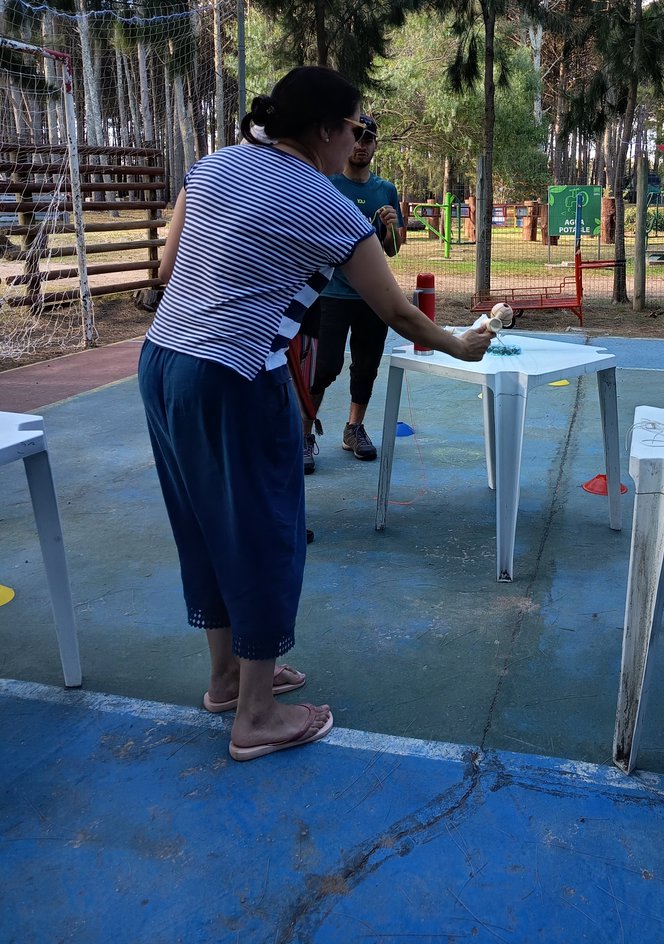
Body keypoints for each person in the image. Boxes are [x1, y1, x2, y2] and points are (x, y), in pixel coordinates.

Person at [138, 66, 492, 762]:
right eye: (357, 128)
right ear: (327, 130)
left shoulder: (213, 166)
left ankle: (227, 678)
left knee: (207, 526)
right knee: (267, 532)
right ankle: (257, 716)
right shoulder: (325, 203)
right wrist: (461, 344)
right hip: (237, 378)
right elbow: (396, 311)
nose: (359, 142)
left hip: (163, 363)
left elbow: (171, 264)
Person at [302, 112, 403, 471]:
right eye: (356, 138)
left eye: (368, 139)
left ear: (376, 145)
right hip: (329, 295)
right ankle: (304, 434)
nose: (361, 145)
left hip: (371, 297)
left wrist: (391, 226)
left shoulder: (385, 190)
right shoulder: (326, 182)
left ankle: (354, 429)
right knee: (323, 367)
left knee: (367, 366)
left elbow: (393, 249)